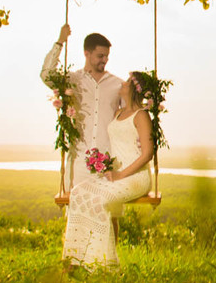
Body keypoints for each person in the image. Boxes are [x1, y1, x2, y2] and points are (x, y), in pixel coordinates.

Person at [61, 71, 157, 268]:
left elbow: (147, 154)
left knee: (100, 200)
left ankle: (101, 263)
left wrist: (121, 174)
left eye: (127, 82)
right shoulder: (118, 114)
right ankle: (75, 257)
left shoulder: (142, 116)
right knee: (78, 192)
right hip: (117, 174)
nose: (122, 84)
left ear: (134, 89)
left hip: (135, 177)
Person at [41, 25, 123, 188]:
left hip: (108, 163)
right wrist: (60, 42)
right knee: (77, 211)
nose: (105, 60)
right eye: (100, 56)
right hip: (78, 163)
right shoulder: (73, 80)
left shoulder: (118, 85)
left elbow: (131, 118)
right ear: (87, 53)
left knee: (109, 213)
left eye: (107, 56)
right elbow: (46, 75)